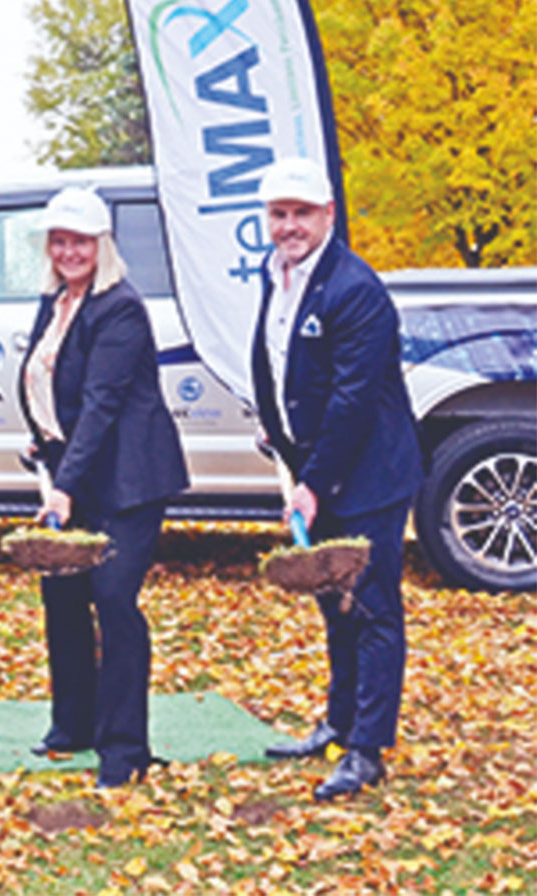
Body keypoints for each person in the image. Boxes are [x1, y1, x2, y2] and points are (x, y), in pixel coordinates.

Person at [249, 158, 420, 802]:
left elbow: (352, 398)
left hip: (369, 475)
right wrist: (280, 434)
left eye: (301, 213)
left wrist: (312, 480)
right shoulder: (280, 276)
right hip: (321, 466)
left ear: (327, 215)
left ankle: (367, 751)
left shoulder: (355, 288)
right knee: (335, 606)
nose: (288, 226)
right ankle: (339, 721)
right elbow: (279, 364)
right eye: (278, 214)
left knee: (372, 609)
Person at [15, 187, 188, 788]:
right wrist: (45, 438)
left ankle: (124, 748)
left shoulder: (121, 309)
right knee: (62, 594)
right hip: (76, 469)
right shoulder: (57, 300)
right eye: (59, 241)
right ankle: (74, 725)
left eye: (81, 241)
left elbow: (102, 404)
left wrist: (64, 484)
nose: (69, 251)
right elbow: (47, 377)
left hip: (128, 481)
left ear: (103, 244)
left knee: (113, 599)